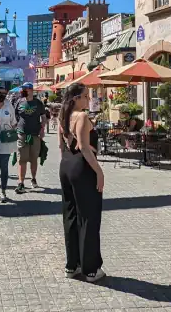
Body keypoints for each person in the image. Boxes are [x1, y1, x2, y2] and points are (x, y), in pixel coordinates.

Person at [59, 82, 106, 282]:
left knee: (70, 215)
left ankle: (73, 265)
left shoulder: (63, 116)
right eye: (86, 96)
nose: (89, 99)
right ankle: (91, 269)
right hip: (82, 167)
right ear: (76, 98)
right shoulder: (82, 116)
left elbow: (62, 146)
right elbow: (85, 147)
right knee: (89, 216)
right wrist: (99, 172)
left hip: (66, 165)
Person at [14, 82, 47, 194]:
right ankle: (21, 183)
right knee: (22, 159)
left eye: (24, 89)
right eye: (22, 89)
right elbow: (15, 117)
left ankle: (33, 178)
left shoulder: (38, 103)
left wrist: (42, 129)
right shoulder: (19, 102)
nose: (22, 91)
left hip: (35, 135)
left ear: (31, 90)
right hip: (22, 134)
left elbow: (43, 117)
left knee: (34, 159)